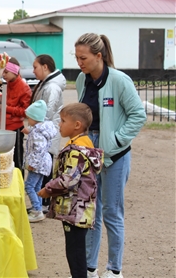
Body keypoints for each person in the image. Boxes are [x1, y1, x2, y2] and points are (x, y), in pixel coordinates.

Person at [74, 33, 146, 278]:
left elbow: (138, 115)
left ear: (98, 56)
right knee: (91, 211)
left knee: (112, 213)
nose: (79, 62)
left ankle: (114, 270)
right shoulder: (82, 81)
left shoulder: (119, 80)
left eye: (83, 57)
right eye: (76, 57)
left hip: (115, 155)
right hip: (89, 151)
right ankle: (90, 268)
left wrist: (115, 141)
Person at [38, 102, 104, 278]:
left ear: (77, 125)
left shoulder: (76, 151)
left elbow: (68, 180)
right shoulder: (84, 146)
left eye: (63, 120)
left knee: (75, 252)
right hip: (79, 209)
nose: (59, 124)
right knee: (75, 249)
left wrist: (48, 189)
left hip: (75, 209)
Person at [26, 54, 66, 211]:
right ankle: (39, 203)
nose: (33, 71)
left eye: (35, 67)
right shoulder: (47, 84)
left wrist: (35, 126)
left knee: (43, 169)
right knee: (42, 170)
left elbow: (47, 112)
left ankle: (43, 204)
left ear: (45, 67)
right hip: (45, 131)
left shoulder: (51, 87)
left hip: (47, 134)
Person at [23, 100, 58, 223]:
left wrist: (33, 163)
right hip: (44, 163)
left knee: (29, 186)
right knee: (37, 186)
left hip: (38, 163)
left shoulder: (37, 132)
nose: (28, 121)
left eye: (29, 119)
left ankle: (37, 210)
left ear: (35, 118)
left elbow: (38, 149)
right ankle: (37, 207)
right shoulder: (41, 129)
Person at [3, 57, 32, 175]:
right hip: (4, 126)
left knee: (17, 159)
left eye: (6, 72)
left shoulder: (24, 88)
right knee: (5, 158)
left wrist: (7, 109)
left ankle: (19, 181)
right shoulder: (6, 85)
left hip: (15, 128)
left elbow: (26, 111)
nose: (3, 75)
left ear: (15, 71)